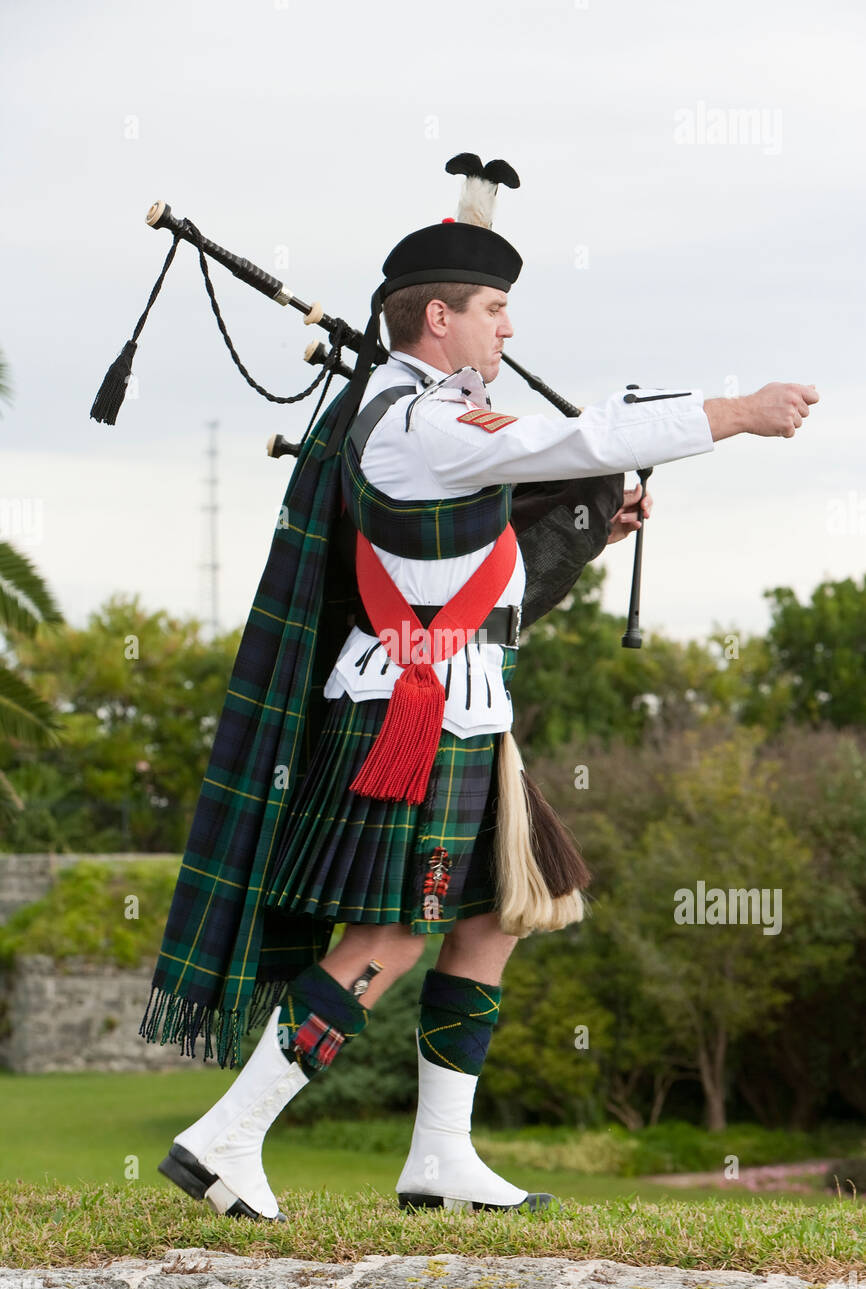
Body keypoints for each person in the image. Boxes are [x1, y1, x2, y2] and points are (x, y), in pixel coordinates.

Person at [144, 153, 818, 1221]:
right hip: (410, 716)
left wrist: (587, 524)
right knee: (393, 936)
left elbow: (481, 596)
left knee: (499, 912)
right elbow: (578, 435)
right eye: (495, 311)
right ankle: (225, 1136)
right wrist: (731, 411)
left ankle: (439, 1156)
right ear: (438, 319)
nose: (508, 332)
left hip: (462, 707)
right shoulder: (421, 424)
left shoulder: (424, 419)